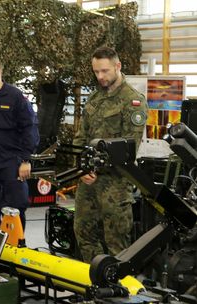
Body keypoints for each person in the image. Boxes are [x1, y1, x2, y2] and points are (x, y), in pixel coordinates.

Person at [72, 46, 148, 263]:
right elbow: (81, 136)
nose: (100, 76)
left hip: (115, 183)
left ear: (118, 66)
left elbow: (128, 148)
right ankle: (96, 279)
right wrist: (82, 167)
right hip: (88, 181)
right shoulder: (94, 98)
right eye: (96, 72)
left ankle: (119, 289)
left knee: (117, 241)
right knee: (83, 233)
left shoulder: (133, 101)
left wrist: (95, 166)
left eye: (104, 71)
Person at [0, 56, 39, 230]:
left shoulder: (15, 96)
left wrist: (26, 160)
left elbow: (29, 128)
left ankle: (14, 251)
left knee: (15, 208)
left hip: (11, 162)